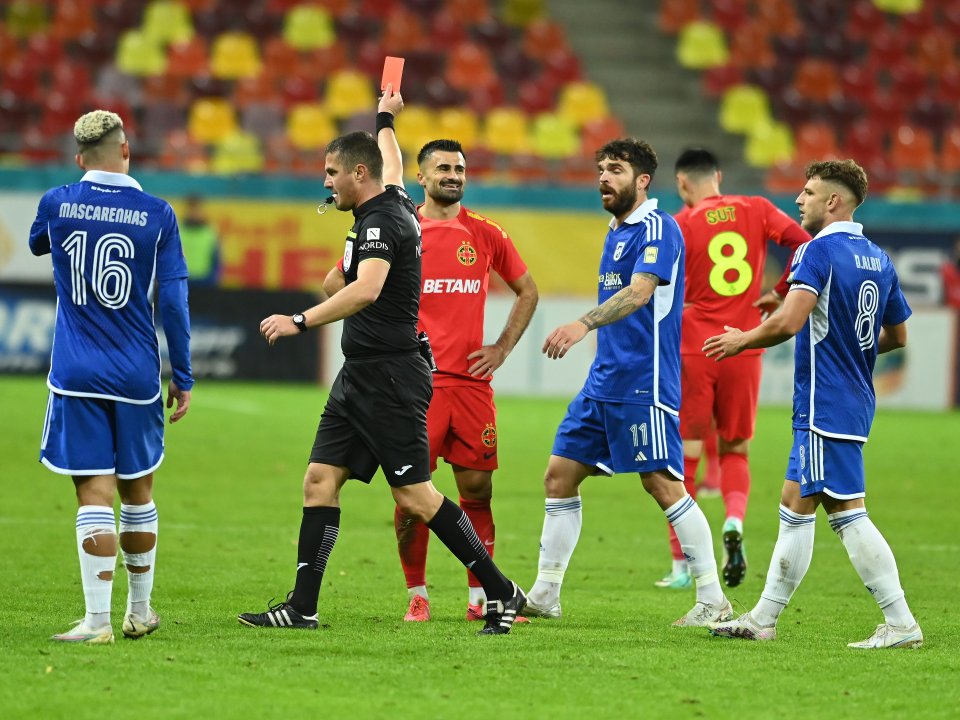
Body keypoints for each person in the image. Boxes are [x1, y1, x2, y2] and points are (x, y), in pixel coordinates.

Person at [237, 86, 527, 636]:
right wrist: (385, 115)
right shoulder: (390, 196)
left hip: (391, 375)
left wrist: (300, 319)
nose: (325, 182)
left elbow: (367, 290)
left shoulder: (382, 223)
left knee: (416, 496)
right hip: (361, 374)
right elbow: (392, 158)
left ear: (357, 175)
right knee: (319, 480)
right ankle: (302, 607)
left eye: (331, 173)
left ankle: (500, 589)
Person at [705, 159, 923, 649]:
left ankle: (902, 622)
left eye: (807, 192)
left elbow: (789, 323)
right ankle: (763, 617)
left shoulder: (816, 253)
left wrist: (743, 340)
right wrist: (851, 347)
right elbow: (898, 336)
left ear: (833, 202)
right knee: (795, 504)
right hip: (848, 398)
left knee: (848, 512)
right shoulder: (877, 256)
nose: (798, 200)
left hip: (826, 402)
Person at [523, 138, 732, 627]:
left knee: (662, 484)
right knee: (559, 475)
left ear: (642, 181)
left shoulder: (659, 228)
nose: (603, 177)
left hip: (645, 381)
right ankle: (546, 592)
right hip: (604, 382)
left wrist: (583, 324)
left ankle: (711, 599)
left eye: (614, 170)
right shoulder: (615, 230)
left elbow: (640, 294)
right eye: (600, 169)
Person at [29, 109, 193, 644]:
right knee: (138, 491)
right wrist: (183, 374)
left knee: (92, 494)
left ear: (79, 159)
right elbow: (173, 300)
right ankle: (140, 612)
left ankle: (97, 621)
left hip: (75, 372)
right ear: (126, 151)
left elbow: (37, 242)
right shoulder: (157, 213)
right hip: (137, 374)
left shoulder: (57, 202)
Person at [391, 139, 539, 622]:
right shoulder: (398, 226)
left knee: (477, 490)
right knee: (413, 496)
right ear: (421, 176)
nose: (452, 175)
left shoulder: (484, 232)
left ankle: (481, 597)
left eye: (459, 168)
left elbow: (527, 291)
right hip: (415, 385)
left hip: (471, 387)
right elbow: (340, 282)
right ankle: (418, 593)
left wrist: (500, 348)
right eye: (442, 168)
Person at [655, 148, 810, 590]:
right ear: (718, 176)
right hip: (745, 346)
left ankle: (683, 565)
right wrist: (780, 290)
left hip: (695, 347)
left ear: (683, 184)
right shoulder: (757, 208)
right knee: (735, 449)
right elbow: (805, 244)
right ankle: (735, 522)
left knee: (682, 455)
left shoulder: (681, 224)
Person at [178, 195, 221, 286]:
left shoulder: (210, 232)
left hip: (205, 282)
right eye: (191, 209)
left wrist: (213, 279)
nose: (194, 213)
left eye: (197, 209)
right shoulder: (178, 231)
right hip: (183, 281)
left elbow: (216, 259)